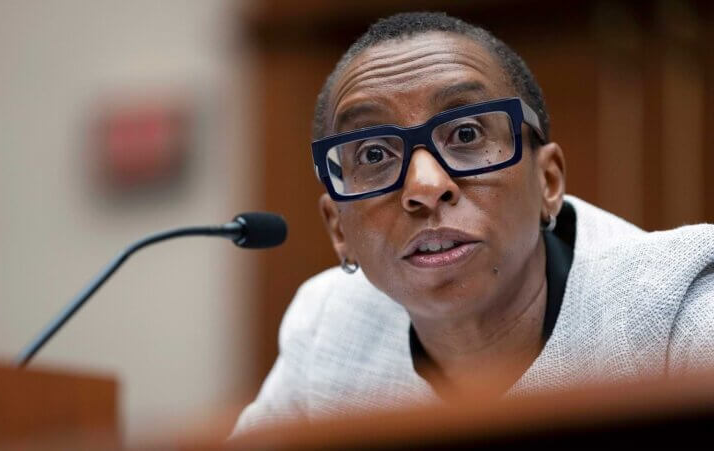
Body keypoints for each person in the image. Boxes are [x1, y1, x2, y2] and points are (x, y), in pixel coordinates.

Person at [233, 11, 714, 434]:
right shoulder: (327, 329)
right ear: (339, 230)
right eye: (374, 154)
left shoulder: (677, 309)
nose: (424, 185)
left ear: (548, 181)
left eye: (466, 133)